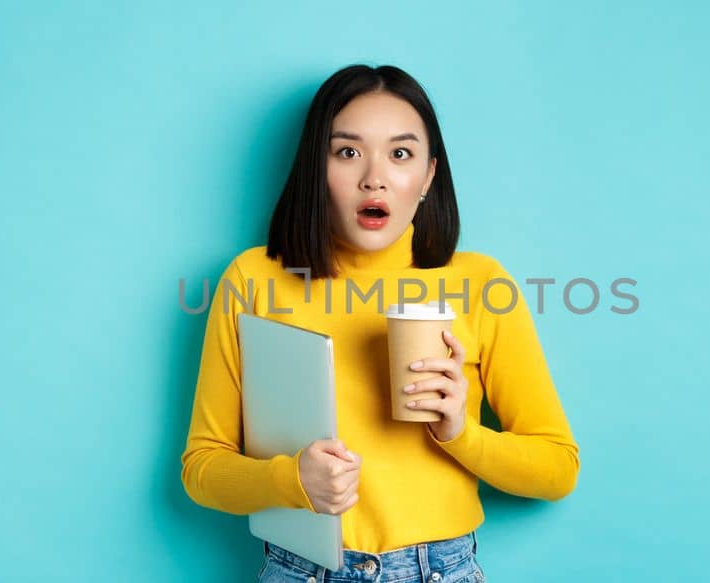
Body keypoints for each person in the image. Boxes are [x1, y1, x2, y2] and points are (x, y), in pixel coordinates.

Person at [181, 64, 579, 583]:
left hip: (439, 571)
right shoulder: (253, 279)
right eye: (347, 152)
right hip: (302, 570)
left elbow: (557, 469)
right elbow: (201, 469)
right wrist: (290, 479)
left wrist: (460, 432)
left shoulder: (480, 283)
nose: (375, 176)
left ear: (428, 175)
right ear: (315, 168)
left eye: (400, 153)